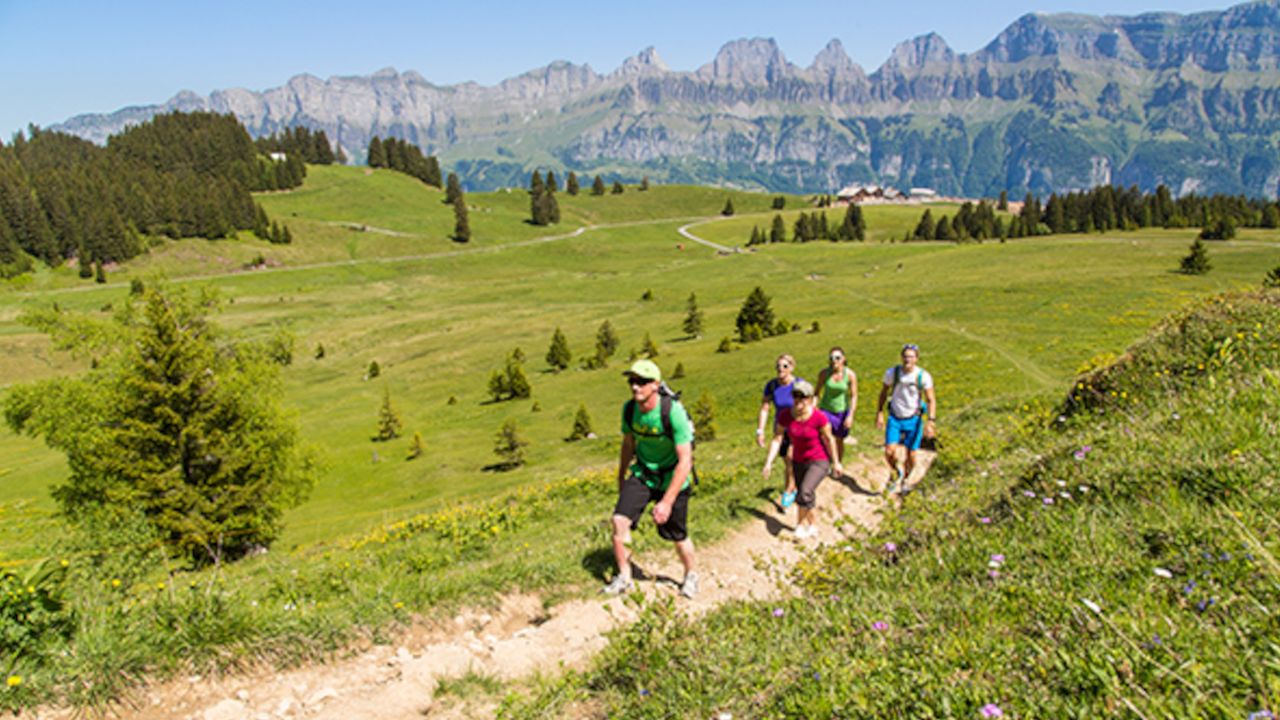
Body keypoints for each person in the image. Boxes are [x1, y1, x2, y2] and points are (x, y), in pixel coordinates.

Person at [602, 359, 698, 598]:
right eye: (632, 381)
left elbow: (685, 460)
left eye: (642, 382)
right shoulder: (629, 410)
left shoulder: (672, 412)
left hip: (672, 476)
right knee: (619, 520)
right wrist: (622, 476)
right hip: (644, 473)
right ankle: (624, 578)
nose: (635, 387)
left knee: (677, 536)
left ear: (655, 384)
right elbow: (628, 444)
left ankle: (691, 575)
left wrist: (666, 501)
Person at [763, 379, 843, 539]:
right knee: (805, 494)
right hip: (798, 460)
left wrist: (836, 462)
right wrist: (768, 462)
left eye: (803, 397)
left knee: (804, 492)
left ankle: (799, 526)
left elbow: (830, 439)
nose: (799, 400)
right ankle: (813, 525)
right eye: (796, 396)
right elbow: (777, 438)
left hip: (819, 459)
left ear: (811, 399)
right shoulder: (786, 415)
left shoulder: (819, 417)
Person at [874, 344, 937, 494]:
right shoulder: (892, 373)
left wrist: (931, 421)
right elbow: (883, 393)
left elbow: (931, 399)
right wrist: (879, 413)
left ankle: (907, 479)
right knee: (889, 451)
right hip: (895, 417)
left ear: (916, 359)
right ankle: (896, 472)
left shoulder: (923, 376)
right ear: (901, 357)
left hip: (913, 419)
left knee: (912, 453)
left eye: (911, 357)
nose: (908, 360)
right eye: (905, 356)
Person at [756, 354, 804, 507]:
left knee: (791, 458)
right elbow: (765, 408)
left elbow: (809, 403)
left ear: (791, 368)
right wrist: (760, 430)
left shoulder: (798, 384)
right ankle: (795, 485)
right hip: (781, 429)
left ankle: (788, 491)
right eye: (778, 366)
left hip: (798, 428)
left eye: (784, 366)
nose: (780, 369)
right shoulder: (772, 386)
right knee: (788, 462)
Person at [816, 346, 857, 470]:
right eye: (832, 358)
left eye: (838, 357)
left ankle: (837, 463)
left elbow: (854, 396)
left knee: (839, 440)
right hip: (826, 410)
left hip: (842, 411)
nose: (835, 360)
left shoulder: (850, 375)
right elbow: (816, 392)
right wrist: (812, 408)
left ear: (843, 359)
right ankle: (825, 463)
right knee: (826, 437)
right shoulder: (824, 374)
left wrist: (851, 416)